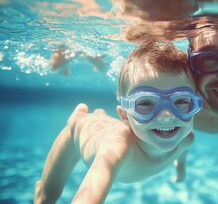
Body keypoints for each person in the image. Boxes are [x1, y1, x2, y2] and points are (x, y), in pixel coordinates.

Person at [34, 41, 203, 203]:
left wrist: (180, 168)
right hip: (78, 130)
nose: (166, 115)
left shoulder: (186, 138)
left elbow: (182, 152)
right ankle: (80, 115)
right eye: (145, 103)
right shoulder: (117, 148)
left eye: (181, 101)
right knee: (47, 197)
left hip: (104, 126)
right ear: (124, 116)